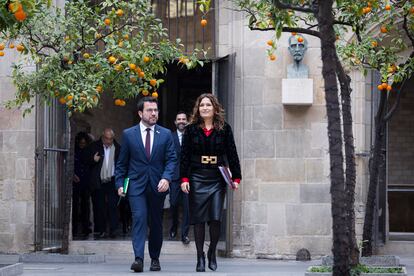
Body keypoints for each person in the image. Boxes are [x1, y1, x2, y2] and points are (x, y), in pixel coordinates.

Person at [180, 93, 242, 272]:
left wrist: (236, 177)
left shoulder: (224, 128)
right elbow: (184, 156)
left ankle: (212, 252)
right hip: (197, 177)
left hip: (217, 177)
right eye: (201, 105)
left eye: (208, 105)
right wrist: (184, 178)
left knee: (215, 219)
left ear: (214, 108)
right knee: (199, 220)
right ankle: (199, 257)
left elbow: (232, 153)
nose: (205, 108)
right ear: (198, 109)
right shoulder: (191, 129)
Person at [115, 96, 177, 273]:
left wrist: (166, 178)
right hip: (136, 185)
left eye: (156, 110)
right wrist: (119, 184)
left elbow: (171, 159)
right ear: (140, 113)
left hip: (158, 186)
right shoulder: (129, 134)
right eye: (150, 110)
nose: (154, 113)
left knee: (156, 222)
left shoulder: (165, 134)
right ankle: (139, 259)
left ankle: (155, 258)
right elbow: (121, 163)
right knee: (140, 218)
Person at [87, 128, 120, 239]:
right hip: (99, 181)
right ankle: (101, 230)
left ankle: (113, 230)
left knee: (113, 206)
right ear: (102, 137)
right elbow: (86, 162)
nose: (108, 141)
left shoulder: (118, 148)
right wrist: (93, 160)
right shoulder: (94, 146)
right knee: (99, 206)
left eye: (111, 139)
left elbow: (122, 165)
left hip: (112, 180)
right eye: (106, 138)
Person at [169, 111, 190, 245]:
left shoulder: (192, 136)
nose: (181, 121)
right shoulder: (169, 137)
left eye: (183, 119)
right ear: (175, 122)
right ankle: (174, 226)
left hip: (188, 177)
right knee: (174, 203)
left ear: (187, 121)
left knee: (187, 207)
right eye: (179, 119)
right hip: (174, 177)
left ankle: (185, 234)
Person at [72, 132, 92, 239]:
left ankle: (85, 227)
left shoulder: (88, 151)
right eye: (81, 143)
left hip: (85, 181)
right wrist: (73, 175)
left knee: (85, 205)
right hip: (75, 181)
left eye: (84, 143)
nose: (82, 144)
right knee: (74, 205)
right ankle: (74, 228)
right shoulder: (74, 151)